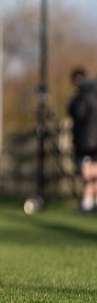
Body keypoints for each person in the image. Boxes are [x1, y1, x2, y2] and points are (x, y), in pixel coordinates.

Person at [67, 67, 97, 213]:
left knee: (86, 171)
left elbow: (77, 113)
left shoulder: (84, 96)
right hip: (91, 138)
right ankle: (89, 201)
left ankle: (87, 202)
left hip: (87, 139)